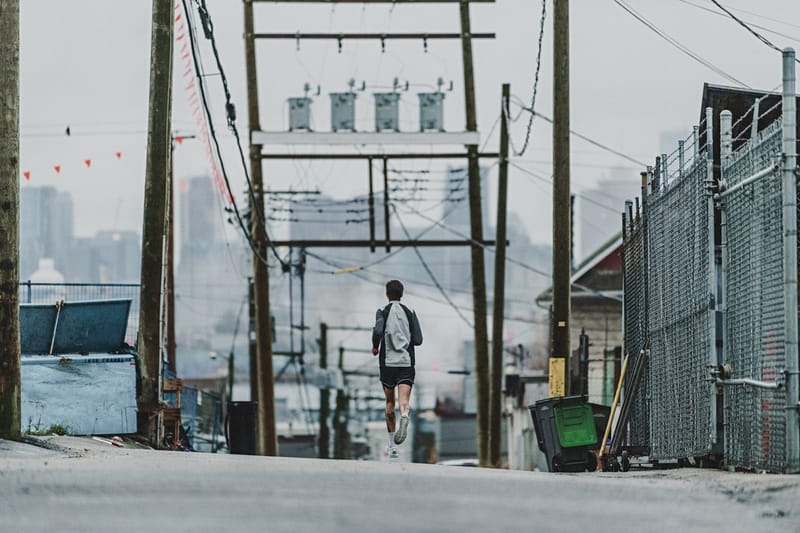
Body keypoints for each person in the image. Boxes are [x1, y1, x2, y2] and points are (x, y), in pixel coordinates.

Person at [372, 279, 423, 458]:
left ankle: (392, 445)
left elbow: (378, 331)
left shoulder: (382, 312)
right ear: (402, 294)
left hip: (387, 364)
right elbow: (418, 340)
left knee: (389, 402)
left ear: (387, 294)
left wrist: (375, 345)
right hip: (406, 363)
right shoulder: (410, 313)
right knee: (403, 401)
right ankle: (405, 414)